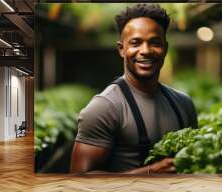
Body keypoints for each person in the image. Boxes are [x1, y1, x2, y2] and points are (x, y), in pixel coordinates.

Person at [70, 4, 197, 174]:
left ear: (165, 49)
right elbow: (79, 178)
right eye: (136, 43)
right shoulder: (104, 107)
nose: (145, 51)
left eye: (155, 42)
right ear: (121, 49)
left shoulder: (184, 103)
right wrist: (150, 173)